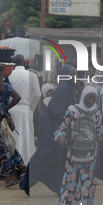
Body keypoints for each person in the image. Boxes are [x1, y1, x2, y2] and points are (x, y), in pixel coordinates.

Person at [55, 86, 103, 205]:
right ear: (82, 97)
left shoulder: (97, 114)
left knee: (86, 186)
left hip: (91, 156)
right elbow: (62, 128)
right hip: (73, 155)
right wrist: (62, 136)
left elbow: (99, 134)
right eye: (88, 97)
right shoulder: (71, 111)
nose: (91, 100)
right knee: (74, 184)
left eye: (94, 98)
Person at [28, 65, 79, 194]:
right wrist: (66, 119)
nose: (74, 76)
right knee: (48, 155)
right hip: (57, 126)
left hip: (64, 126)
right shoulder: (63, 87)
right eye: (72, 74)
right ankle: (28, 181)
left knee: (59, 158)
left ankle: (59, 186)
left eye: (75, 74)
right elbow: (55, 107)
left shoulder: (70, 88)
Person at [8, 54, 41, 163]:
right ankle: (25, 164)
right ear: (24, 63)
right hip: (25, 109)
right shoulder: (32, 75)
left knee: (11, 138)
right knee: (26, 138)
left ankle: (11, 165)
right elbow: (37, 94)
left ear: (14, 63)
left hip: (10, 109)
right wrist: (30, 107)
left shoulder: (9, 75)